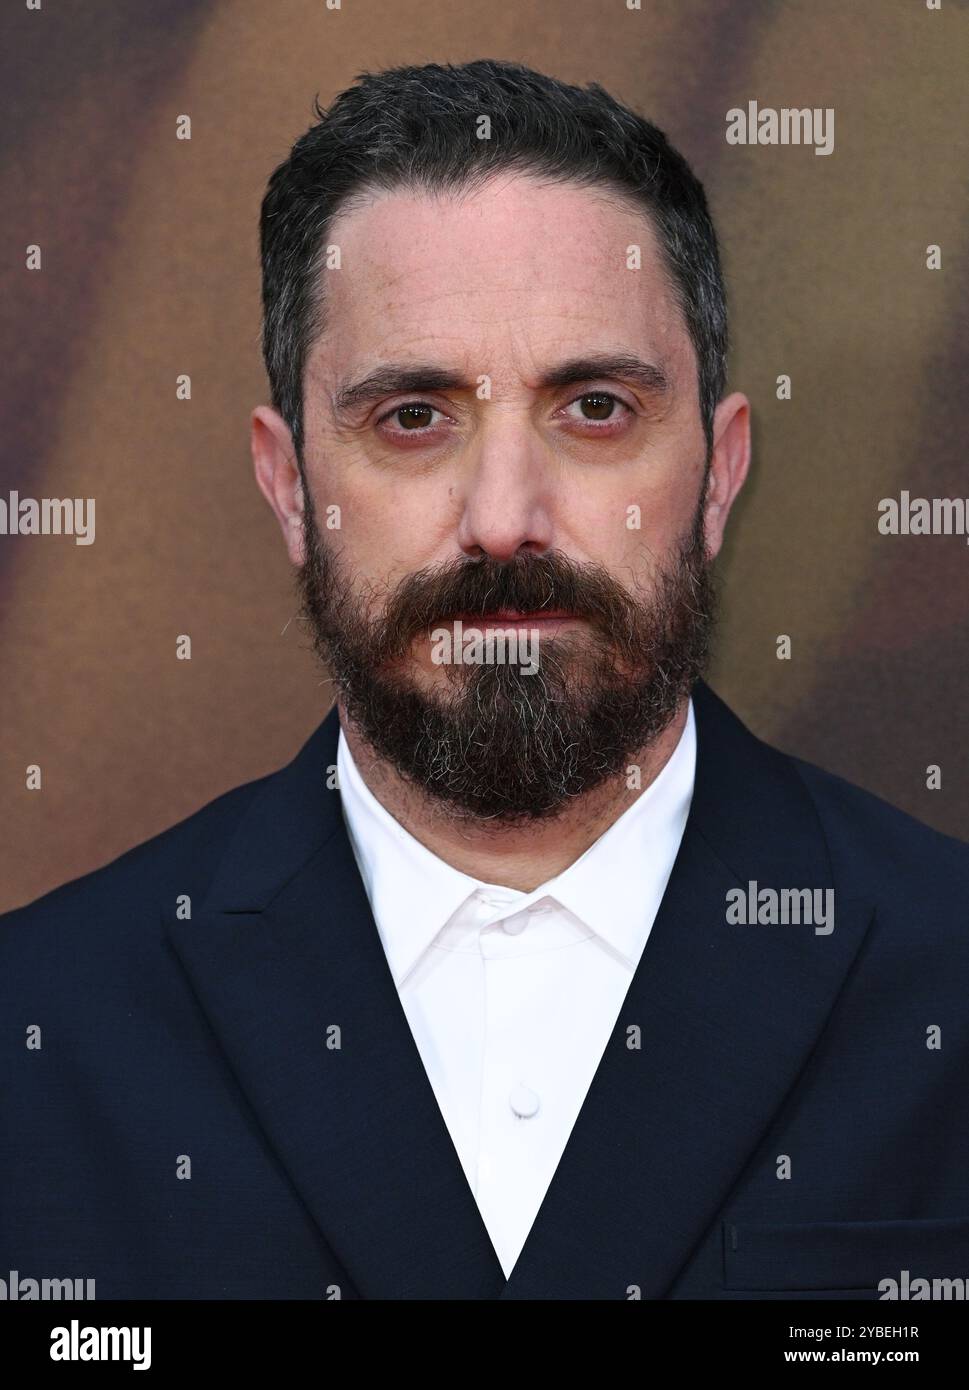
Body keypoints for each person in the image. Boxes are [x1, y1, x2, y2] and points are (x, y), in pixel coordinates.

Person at [2, 59, 967, 1301]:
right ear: (289, 483)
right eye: (413, 417)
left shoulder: (941, 978)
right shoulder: (42, 1034)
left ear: (721, 474)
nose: (506, 520)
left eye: (597, 408)